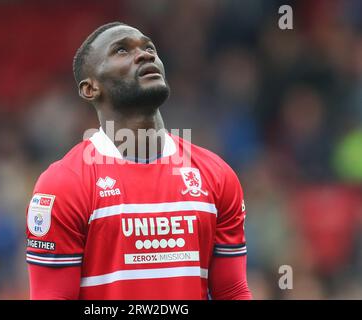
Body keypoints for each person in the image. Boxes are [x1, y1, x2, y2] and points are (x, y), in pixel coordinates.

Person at [26, 22, 252, 299]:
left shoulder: (216, 175)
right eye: (121, 50)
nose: (146, 55)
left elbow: (232, 291)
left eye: (149, 48)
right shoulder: (63, 184)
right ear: (90, 88)